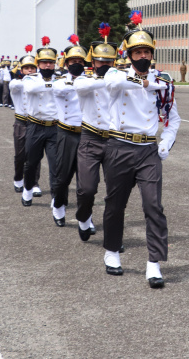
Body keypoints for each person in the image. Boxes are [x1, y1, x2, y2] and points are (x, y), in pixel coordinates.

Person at [102, 10, 180, 288]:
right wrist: (146, 83)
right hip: (119, 146)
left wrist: (166, 143)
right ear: (129, 55)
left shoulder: (164, 82)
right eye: (137, 53)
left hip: (148, 150)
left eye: (147, 52)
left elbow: (173, 118)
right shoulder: (116, 73)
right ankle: (112, 252)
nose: (143, 57)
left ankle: (154, 263)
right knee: (115, 203)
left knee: (153, 206)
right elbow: (113, 82)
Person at [73, 23, 116, 241]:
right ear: (93, 62)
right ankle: (83, 216)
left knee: (115, 193)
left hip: (114, 141)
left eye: (109, 61)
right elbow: (81, 88)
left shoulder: (120, 80)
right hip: (90, 138)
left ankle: (112, 236)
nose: (105, 65)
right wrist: (106, 80)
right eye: (101, 61)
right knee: (87, 189)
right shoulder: (84, 79)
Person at [48, 35, 88, 228]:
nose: (77, 64)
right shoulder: (60, 82)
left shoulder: (90, 80)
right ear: (66, 63)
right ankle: (58, 206)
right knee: (62, 177)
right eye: (73, 61)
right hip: (66, 133)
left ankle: (85, 218)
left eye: (80, 61)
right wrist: (81, 83)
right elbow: (60, 91)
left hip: (87, 134)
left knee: (85, 181)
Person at [22, 37, 60, 206]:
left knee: (55, 165)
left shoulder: (60, 79)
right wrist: (54, 85)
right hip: (35, 126)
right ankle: (28, 188)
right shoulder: (31, 78)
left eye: (50, 63)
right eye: (44, 62)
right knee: (31, 162)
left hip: (54, 128)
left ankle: (55, 197)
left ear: (55, 64)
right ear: (38, 63)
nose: (47, 66)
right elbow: (31, 89)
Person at [9, 47, 40, 193]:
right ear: (21, 70)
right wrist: (27, 78)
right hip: (21, 123)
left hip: (36, 123)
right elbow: (15, 85)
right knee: (20, 154)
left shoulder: (38, 83)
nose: (29, 70)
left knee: (35, 155)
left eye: (32, 68)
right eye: (26, 68)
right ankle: (18, 178)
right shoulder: (16, 83)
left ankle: (34, 183)